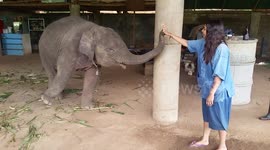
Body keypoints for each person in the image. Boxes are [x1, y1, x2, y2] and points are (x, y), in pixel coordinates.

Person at [162, 20, 235, 150]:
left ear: (212, 32)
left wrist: (212, 93)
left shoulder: (222, 49)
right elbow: (187, 43)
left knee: (220, 117)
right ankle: (205, 139)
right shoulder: (204, 43)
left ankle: (223, 145)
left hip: (219, 90)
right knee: (207, 115)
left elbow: (219, 75)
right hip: (207, 87)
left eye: (205, 29)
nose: (202, 31)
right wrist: (170, 35)